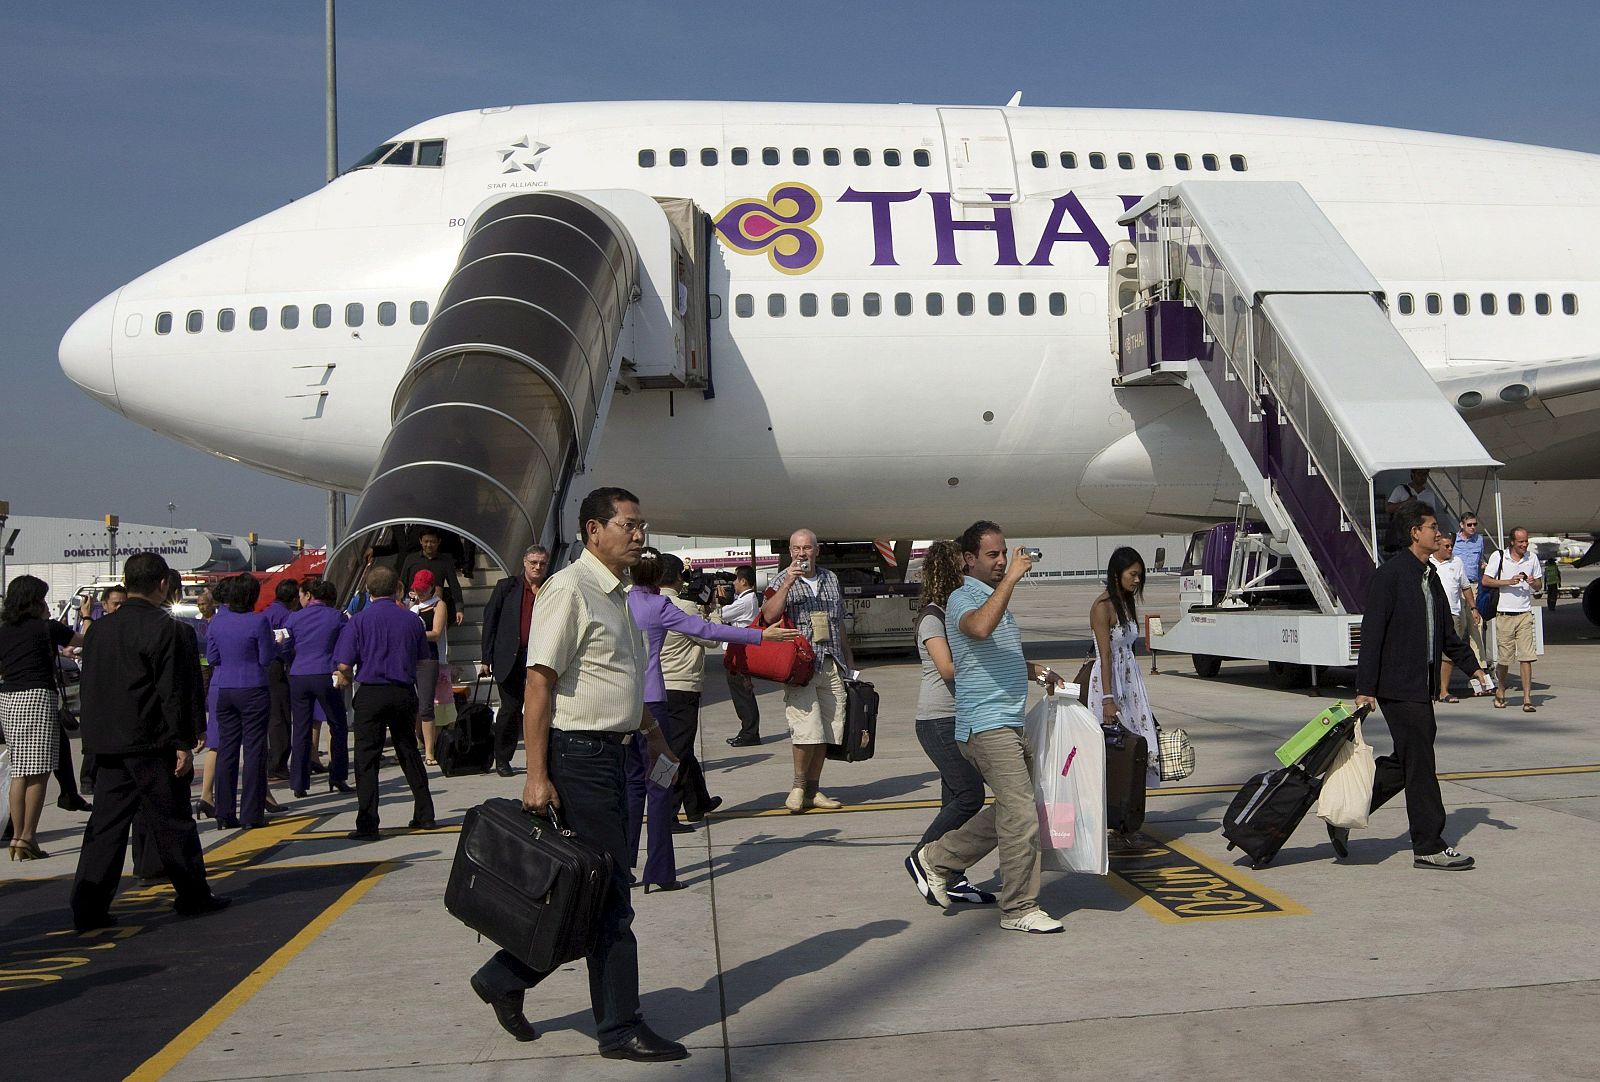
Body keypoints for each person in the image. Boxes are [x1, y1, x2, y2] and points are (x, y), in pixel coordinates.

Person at [469, 487, 688, 1062]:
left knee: (587, 893)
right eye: (629, 525)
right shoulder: (568, 590)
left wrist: (652, 733)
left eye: (642, 526)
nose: (640, 535)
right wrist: (535, 774)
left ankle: (504, 976)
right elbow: (540, 682)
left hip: (617, 754)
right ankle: (619, 1029)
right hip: (579, 757)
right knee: (612, 894)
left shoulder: (616, 593)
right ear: (594, 530)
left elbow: (613, 677)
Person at [907, 521, 1065, 934]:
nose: (1001, 561)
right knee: (1021, 815)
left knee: (1013, 812)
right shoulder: (962, 598)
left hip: (1007, 721)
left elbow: (993, 657)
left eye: (1004, 553)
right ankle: (1018, 908)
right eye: (992, 555)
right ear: (968, 559)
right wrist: (1011, 579)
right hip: (985, 724)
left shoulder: (994, 601)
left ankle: (937, 859)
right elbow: (977, 628)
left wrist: (1036, 671)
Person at [70, 551, 228, 931]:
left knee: (105, 826)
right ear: (163, 585)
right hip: (151, 741)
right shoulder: (170, 630)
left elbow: (89, 686)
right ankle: (192, 893)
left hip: (108, 742)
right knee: (173, 821)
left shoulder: (100, 631)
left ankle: (88, 907)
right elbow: (174, 690)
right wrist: (183, 739)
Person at [626, 549, 791, 890]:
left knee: (630, 787)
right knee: (661, 783)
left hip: (624, 704)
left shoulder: (620, 601)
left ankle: (624, 864)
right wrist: (759, 635)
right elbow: (709, 631)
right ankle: (660, 871)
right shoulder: (661, 607)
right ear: (660, 577)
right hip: (655, 703)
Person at [1348, 503, 1489, 870]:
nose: (1439, 534)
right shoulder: (1391, 576)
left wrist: (1474, 669)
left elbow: (1446, 634)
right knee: (1422, 764)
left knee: (1406, 760)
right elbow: (1373, 634)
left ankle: (1346, 810)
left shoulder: (1431, 577)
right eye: (1433, 528)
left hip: (1419, 684)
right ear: (1415, 532)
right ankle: (1428, 844)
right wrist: (1366, 687)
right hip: (1396, 686)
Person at [904, 540, 996, 905]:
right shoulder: (932, 617)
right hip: (938, 721)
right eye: (965, 565)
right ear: (952, 570)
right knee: (970, 794)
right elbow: (947, 669)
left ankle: (950, 873)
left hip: (961, 719)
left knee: (953, 801)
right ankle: (922, 858)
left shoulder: (955, 611)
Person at [334, 564, 436, 839]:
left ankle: (368, 822)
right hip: (403, 690)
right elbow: (423, 659)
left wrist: (344, 677)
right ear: (397, 589)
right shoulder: (412, 621)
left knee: (367, 759)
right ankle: (425, 813)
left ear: (368, 590)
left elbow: (344, 662)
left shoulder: (359, 621)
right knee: (408, 751)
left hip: (370, 691)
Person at [759, 528, 852, 813]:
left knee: (827, 728)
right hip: (801, 666)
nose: (802, 554)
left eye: (807, 548)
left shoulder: (831, 579)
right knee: (805, 728)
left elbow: (839, 624)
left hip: (831, 661)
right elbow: (769, 615)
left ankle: (813, 789)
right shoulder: (779, 580)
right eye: (797, 549)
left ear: (817, 550)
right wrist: (787, 583)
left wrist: (849, 662)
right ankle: (798, 786)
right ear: (790, 552)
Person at [0, 575, 84, 858]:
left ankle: (16, 838)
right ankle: (27, 838)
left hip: (8, 699)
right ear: (33, 601)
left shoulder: (4, 629)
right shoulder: (47, 628)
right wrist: (86, 616)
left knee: (20, 771)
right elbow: (83, 640)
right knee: (39, 771)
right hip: (37, 697)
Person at [207, 574, 275, 829]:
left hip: (225, 687)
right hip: (253, 686)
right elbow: (266, 657)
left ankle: (224, 812)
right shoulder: (258, 621)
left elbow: (212, 657)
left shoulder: (217, 623)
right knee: (255, 751)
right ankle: (251, 814)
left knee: (227, 749)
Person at [1088, 546, 1160, 786]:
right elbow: (1105, 655)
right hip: (1110, 683)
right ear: (1117, 573)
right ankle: (1112, 804)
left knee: (1137, 742)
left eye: (1140, 575)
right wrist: (1108, 699)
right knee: (1115, 745)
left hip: (1130, 682)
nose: (1137, 580)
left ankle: (1129, 806)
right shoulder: (1102, 607)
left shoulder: (1126, 603)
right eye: (1132, 574)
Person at [478, 545, 551, 776]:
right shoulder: (506, 587)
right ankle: (502, 759)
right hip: (509, 657)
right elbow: (490, 621)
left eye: (541, 563)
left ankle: (538, 760)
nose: (537, 567)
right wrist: (485, 658)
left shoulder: (552, 587)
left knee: (539, 710)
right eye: (533, 563)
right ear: (524, 563)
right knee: (510, 710)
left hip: (539, 658)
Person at [285, 578, 351, 797]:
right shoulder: (336, 616)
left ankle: (299, 782)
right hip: (325, 672)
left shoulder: (293, 618)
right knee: (337, 724)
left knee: (301, 728)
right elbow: (346, 644)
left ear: (310, 595)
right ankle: (338, 775)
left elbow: (285, 645)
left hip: (299, 673)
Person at [1482, 526, 1544, 712]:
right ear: (1512, 542)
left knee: (1527, 657)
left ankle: (1527, 699)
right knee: (1505, 659)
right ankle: (1501, 689)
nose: (1524, 545)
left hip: (1524, 613)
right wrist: (1508, 581)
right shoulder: (1499, 556)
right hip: (1504, 614)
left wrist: (1533, 582)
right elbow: (1486, 580)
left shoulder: (1531, 558)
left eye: (1526, 541)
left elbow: (1539, 586)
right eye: (1521, 542)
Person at [1431, 532, 1480, 703]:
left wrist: (1473, 608)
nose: (1450, 549)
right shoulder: (1427, 562)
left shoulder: (1457, 562)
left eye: (1451, 545)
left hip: (1454, 613)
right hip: (1432, 614)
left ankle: (1444, 691)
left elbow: (1465, 587)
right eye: (1447, 546)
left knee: (1450, 654)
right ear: (1437, 546)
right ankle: (1430, 688)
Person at [409, 570, 449, 767]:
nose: (420, 592)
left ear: (432, 587)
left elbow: (436, 633)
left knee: (426, 705)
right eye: (417, 588)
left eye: (423, 589)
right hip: (410, 658)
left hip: (428, 658)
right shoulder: (413, 607)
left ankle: (430, 751)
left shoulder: (438, 605)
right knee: (412, 704)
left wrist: (414, 633)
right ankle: (416, 743)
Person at [722, 565, 765, 747]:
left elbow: (721, 615)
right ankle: (748, 730)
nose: (733, 583)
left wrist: (719, 601)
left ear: (743, 581)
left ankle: (750, 733)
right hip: (739, 651)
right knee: (743, 692)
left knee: (742, 694)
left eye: (735, 579)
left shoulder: (745, 601)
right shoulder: (747, 598)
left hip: (740, 653)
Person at [264, 579, 300, 783]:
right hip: (278, 667)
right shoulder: (287, 616)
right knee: (281, 716)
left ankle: (273, 761)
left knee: (272, 716)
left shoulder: (266, 613)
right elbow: (286, 645)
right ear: (294, 599)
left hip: (264, 668)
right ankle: (278, 764)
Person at [400, 528, 466, 626]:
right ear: (420, 541)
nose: (429, 545)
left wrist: (459, 609)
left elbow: (454, 586)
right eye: (426, 541)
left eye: (432, 542)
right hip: (412, 604)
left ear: (439, 542)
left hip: (434, 607)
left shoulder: (446, 561)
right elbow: (402, 583)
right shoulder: (411, 559)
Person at [1453, 512, 1490, 669]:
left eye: (1475, 524)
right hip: (1457, 588)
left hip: (1473, 586)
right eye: (1469, 525)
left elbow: (1480, 561)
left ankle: (1479, 667)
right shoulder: (1453, 541)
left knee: (1476, 627)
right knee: (1458, 627)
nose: (1473, 527)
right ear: (1462, 525)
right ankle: (1455, 664)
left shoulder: (1479, 540)